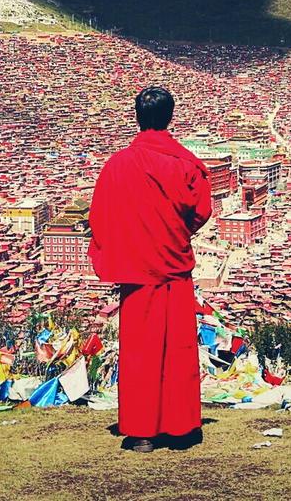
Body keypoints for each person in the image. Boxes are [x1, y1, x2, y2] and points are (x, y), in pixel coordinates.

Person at [88, 85, 212, 453]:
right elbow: (201, 210)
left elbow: (101, 217)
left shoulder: (117, 164)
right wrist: (174, 233)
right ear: (170, 117)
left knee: (140, 352)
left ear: (138, 117)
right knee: (178, 350)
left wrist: (129, 244)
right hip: (174, 268)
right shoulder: (186, 164)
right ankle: (181, 428)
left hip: (138, 273)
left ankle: (142, 432)